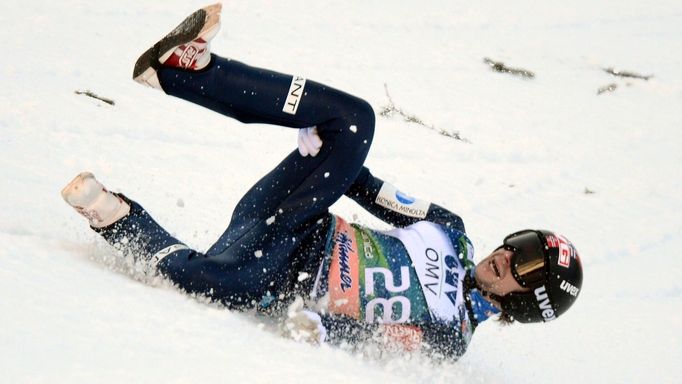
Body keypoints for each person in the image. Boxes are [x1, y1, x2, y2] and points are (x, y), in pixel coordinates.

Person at [61, 3, 583, 359]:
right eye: (521, 244)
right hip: (297, 217)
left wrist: (322, 328)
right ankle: (182, 70)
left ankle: (116, 218)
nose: (507, 254)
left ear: (526, 300)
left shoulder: (450, 336)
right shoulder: (452, 230)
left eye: (526, 264)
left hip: (273, 275)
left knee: (221, 287)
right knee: (356, 121)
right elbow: (371, 190)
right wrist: (327, 147)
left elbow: (382, 336)